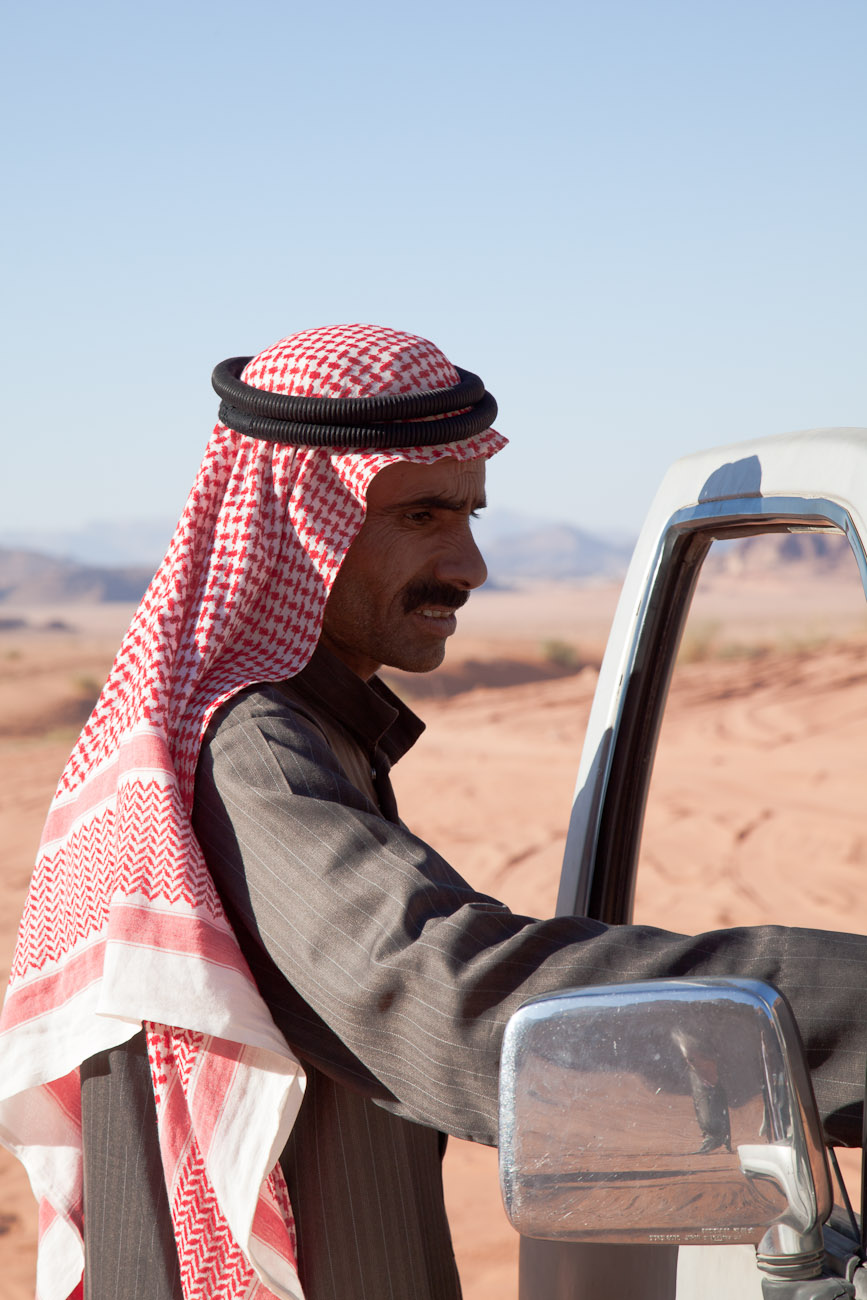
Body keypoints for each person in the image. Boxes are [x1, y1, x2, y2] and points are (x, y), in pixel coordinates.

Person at [2, 323, 867, 1300]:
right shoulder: (251, 750)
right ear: (299, 524)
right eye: (422, 515)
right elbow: (446, 999)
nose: (469, 565)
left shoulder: (302, 730)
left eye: (469, 515)